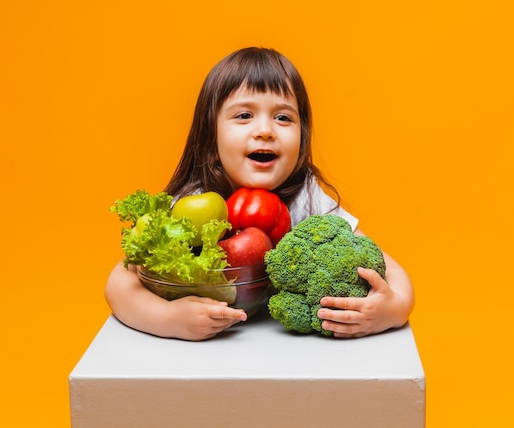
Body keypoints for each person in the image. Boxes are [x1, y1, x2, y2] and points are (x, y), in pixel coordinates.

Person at [105, 47, 414, 341]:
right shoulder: (191, 206)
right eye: (244, 116)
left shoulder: (308, 197)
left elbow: (387, 265)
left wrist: (394, 309)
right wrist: (169, 318)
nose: (265, 130)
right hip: (208, 357)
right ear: (211, 140)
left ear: (302, 141)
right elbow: (118, 285)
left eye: (283, 117)